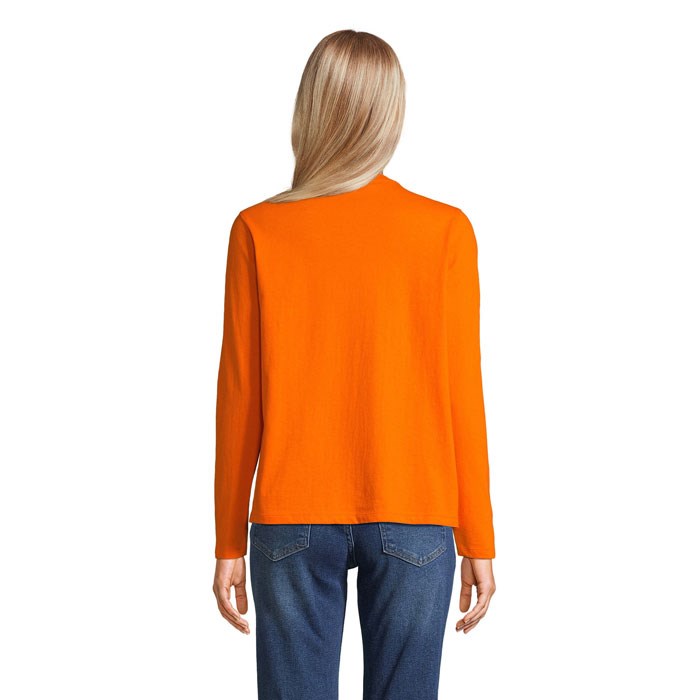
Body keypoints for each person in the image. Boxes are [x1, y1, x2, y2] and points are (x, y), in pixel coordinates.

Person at [212, 28, 496, 700]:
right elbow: (463, 392)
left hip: (289, 513)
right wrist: (479, 537)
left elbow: (239, 397)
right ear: (391, 111)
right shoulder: (444, 231)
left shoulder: (259, 229)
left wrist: (228, 540)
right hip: (416, 508)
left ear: (311, 107)